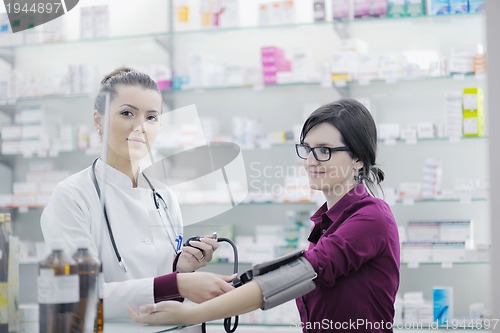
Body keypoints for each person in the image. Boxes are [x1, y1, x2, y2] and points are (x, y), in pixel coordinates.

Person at [129, 98, 400, 333]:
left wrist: (192, 314)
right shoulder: (328, 222)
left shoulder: (371, 217)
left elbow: (305, 271)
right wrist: (209, 282)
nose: (310, 161)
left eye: (324, 151)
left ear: (358, 159)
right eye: (307, 149)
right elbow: (297, 276)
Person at [41, 67, 235, 320]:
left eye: (152, 117)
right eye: (127, 113)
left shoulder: (164, 196)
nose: (140, 126)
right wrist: (177, 284)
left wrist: (182, 268)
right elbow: (78, 296)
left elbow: (159, 280)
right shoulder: (72, 196)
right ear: (98, 120)